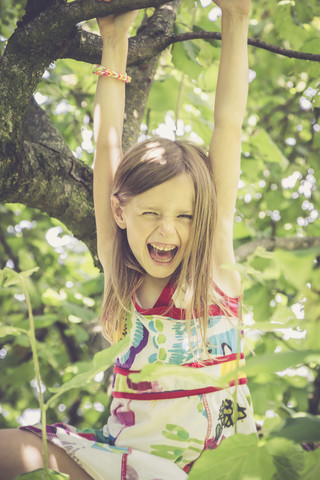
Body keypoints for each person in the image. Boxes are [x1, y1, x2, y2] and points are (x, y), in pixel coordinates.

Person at [0, 0, 256, 479]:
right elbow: (107, 147)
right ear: (120, 212)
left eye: (185, 216)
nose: (167, 229)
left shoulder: (215, 272)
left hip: (210, 471)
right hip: (123, 463)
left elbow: (229, 126)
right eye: (151, 213)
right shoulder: (122, 274)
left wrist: (236, 19)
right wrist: (114, 41)